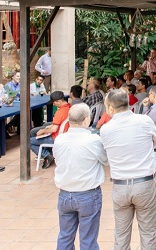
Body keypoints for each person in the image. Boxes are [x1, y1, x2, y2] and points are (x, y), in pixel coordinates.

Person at [100, 89, 156, 249]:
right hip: (145, 184)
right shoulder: (144, 121)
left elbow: (105, 155)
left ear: (111, 108)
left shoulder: (106, 129)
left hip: (120, 187)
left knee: (121, 236)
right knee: (148, 234)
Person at [53, 103, 108, 250]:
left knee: (65, 236)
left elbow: (57, 159)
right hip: (87, 194)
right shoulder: (93, 140)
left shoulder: (59, 139)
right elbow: (105, 159)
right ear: (86, 120)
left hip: (65, 194)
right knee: (88, 240)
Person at [30, 91, 72, 169]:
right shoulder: (70, 107)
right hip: (66, 135)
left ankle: (46, 155)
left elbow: (54, 129)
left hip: (56, 138)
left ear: (59, 101)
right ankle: (50, 154)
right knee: (40, 129)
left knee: (29, 141)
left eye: (54, 102)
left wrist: (43, 131)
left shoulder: (60, 112)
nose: (54, 104)